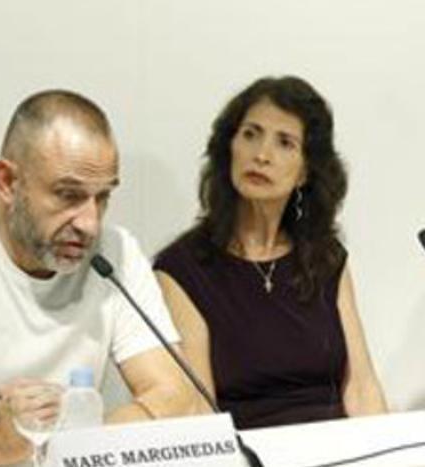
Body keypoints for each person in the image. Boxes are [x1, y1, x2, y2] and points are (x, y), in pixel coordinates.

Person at [0, 90, 197, 467]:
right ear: (7, 182)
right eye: (68, 195)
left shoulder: (115, 253)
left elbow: (174, 396)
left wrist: (70, 449)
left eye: (102, 197)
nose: (89, 223)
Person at [154, 76, 387, 429]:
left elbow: (361, 388)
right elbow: (199, 412)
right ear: (228, 146)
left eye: (284, 143)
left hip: (339, 450)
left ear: (305, 171)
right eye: (250, 134)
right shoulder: (183, 269)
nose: (261, 155)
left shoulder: (325, 258)